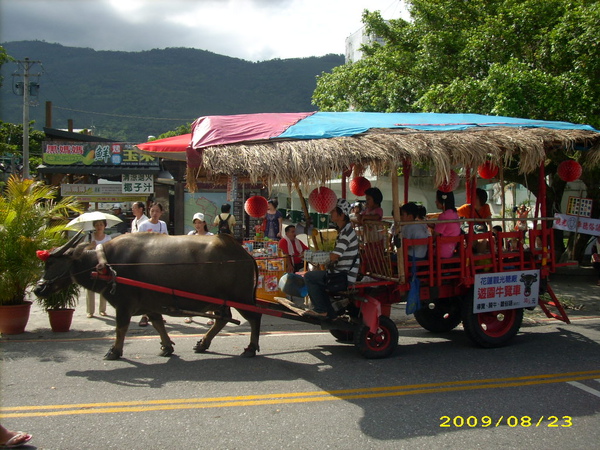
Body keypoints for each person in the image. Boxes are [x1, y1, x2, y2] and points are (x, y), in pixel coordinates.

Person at [304, 198, 360, 319]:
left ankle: (321, 309)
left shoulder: (347, 233)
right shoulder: (344, 231)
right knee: (315, 277)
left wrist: (311, 256)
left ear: (342, 214)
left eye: (334, 211)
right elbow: (334, 254)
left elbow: (334, 256)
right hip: (338, 273)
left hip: (342, 276)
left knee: (309, 277)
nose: (331, 213)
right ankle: (329, 311)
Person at [138, 203, 168, 327]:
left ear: (161, 213)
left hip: (159, 261)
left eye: (157, 211)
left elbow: (167, 240)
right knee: (145, 289)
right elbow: (138, 242)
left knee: (158, 289)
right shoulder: (143, 225)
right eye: (152, 211)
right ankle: (144, 315)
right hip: (146, 261)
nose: (154, 213)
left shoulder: (163, 224)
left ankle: (157, 313)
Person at [184, 213, 215, 324]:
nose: (198, 225)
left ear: (204, 223)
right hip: (193, 268)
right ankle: (189, 315)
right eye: (196, 223)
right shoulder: (191, 235)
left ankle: (211, 316)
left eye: (200, 222)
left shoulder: (210, 235)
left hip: (206, 269)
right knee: (190, 292)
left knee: (209, 292)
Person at [86, 219, 111, 318]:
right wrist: (90, 246)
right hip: (91, 264)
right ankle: (90, 311)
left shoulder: (108, 238)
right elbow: (83, 251)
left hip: (103, 264)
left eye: (101, 224)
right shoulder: (89, 237)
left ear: (104, 226)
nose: (99, 226)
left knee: (103, 286)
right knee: (90, 288)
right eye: (97, 225)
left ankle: (102, 310)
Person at [431, 190, 461, 258]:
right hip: (450, 251)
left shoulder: (443, 216)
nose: (436, 202)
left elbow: (435, 236)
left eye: (437, 200)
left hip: (441, 252)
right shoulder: (454, 214)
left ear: (443, 201)